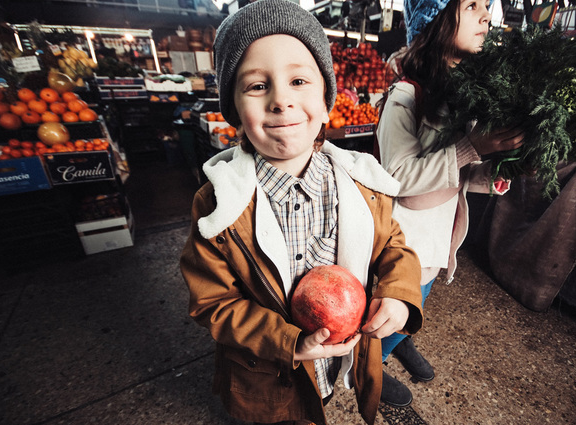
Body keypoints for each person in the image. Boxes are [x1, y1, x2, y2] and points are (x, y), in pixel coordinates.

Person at [179, 1, 424, 424]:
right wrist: (290, 342)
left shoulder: (363, 184)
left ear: (327, 100)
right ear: (235, 111)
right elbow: (213, 302)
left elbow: (394, 248)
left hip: (335, 360)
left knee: (317, 404)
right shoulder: (218, 206)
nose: (280, 101)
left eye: (298, 81)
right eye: (257, 86)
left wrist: (400, 296)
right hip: (267, 370)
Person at [375, 0, 525, 407]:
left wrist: (490, 175)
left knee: (420, 298)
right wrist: (469, 149)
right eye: (472, 5)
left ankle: (400, 340)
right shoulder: (406, 96)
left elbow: (453, 172)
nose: (486, 16)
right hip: (404, 237)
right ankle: (373, 362)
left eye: (486, 5)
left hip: (437, 231)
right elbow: (401, 179)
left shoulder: (460, 96)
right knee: (405, 297)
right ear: (436, 19)